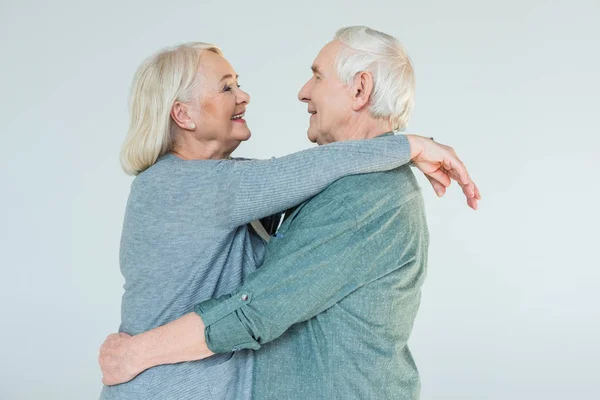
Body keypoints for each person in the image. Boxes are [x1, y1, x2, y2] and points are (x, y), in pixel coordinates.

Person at [100, 27, 480, 400]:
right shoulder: (190, 185)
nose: (302, 91)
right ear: (182, 115)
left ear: (360, 89)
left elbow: (256, 309)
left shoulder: (363, 196)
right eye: (226, 87)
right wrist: (409, 146)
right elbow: (291, 173)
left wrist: (139, 351)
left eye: (317, 76)